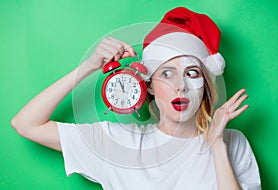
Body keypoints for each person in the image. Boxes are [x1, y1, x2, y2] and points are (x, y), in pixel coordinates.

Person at [11, 7, 261, 190]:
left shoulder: (231, 142)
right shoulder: (117, 142)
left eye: (192, 73)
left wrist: (217, 145)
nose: (180, 86)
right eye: (166, 73)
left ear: (205, 84)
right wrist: (88, 67)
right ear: (150, 86)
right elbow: (26, 124)